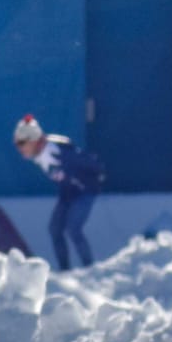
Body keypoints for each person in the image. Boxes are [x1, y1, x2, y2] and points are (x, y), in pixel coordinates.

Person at [12, 114, 105, 271]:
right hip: (68, 192)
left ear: (33, 140)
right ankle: (65, 270)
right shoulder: (39, 155)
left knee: (73, 228)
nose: (19, 148)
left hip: (85, 190)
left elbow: (86, 160)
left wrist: (96, 175)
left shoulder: (55, 149)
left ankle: (90, 268)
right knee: (55, 228)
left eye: (22, 143)